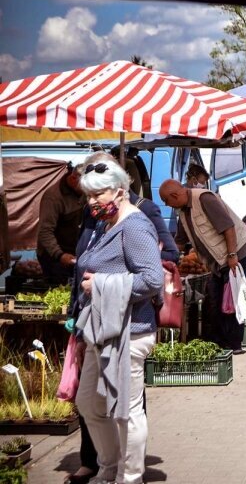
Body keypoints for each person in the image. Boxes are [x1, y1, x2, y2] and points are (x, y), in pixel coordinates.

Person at [64, 152, 177, 484]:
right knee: (89, 404)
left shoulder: (135, 225)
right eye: (89, 194)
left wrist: (102, 284)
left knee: (126, 412)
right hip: (101, 331)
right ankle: (109, 467)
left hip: (130, 332)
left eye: (98, 193)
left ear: (118, 190)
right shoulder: (104, 223)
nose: (92, 200)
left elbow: (153, 280)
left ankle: (130, 476)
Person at [160, 180, 246, 354]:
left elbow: (228, 227)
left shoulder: (204, 199)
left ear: (174, 195)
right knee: (216, 299)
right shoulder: (182, 211)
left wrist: (232, 256)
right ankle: (220, 343)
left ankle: (233, 344)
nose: (167, 205)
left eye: (167, 201)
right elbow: (180, 241)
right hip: (217, 260)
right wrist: (166, 257)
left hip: (236, 251)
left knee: (231, 299)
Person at [37, 163, 84, 284]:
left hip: (74, 254)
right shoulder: (53, 197)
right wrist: (59, 255)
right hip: (55, 257)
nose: (88, 189)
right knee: (60, 290)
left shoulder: (81, 192)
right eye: (85, 185)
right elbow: (45, 231)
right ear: (73, 178)